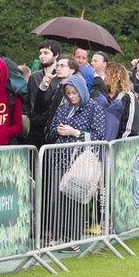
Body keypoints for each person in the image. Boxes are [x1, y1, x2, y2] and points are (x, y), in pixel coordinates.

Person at [45, 74, 105, 250]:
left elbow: (99, 136)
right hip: (58, 158)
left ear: (82, 91)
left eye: (74, 93)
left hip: (80, 162)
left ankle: (73, 239)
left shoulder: (94, 108)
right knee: (57, 198)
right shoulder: (63, 108)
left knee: (75, 198)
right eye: (68, 93)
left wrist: (74, 132)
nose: (71, 96)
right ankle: (57, 236)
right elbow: (51, 131)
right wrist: (58, 131)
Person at [26, 40, 62, 146]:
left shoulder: (61, 77)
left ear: (56, 55)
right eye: (40, 53)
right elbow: (29, 102)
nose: (42, 56)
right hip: (35, 130)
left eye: (46, 53)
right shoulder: (34, 77)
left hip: (55, 128)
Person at [102, 62, 139, 140]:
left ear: (115, 77)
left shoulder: (128, 97)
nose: (104, 77)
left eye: (107, 74)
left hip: (122, 145)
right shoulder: (106, 96)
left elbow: (131, 127)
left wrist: (119, 145)